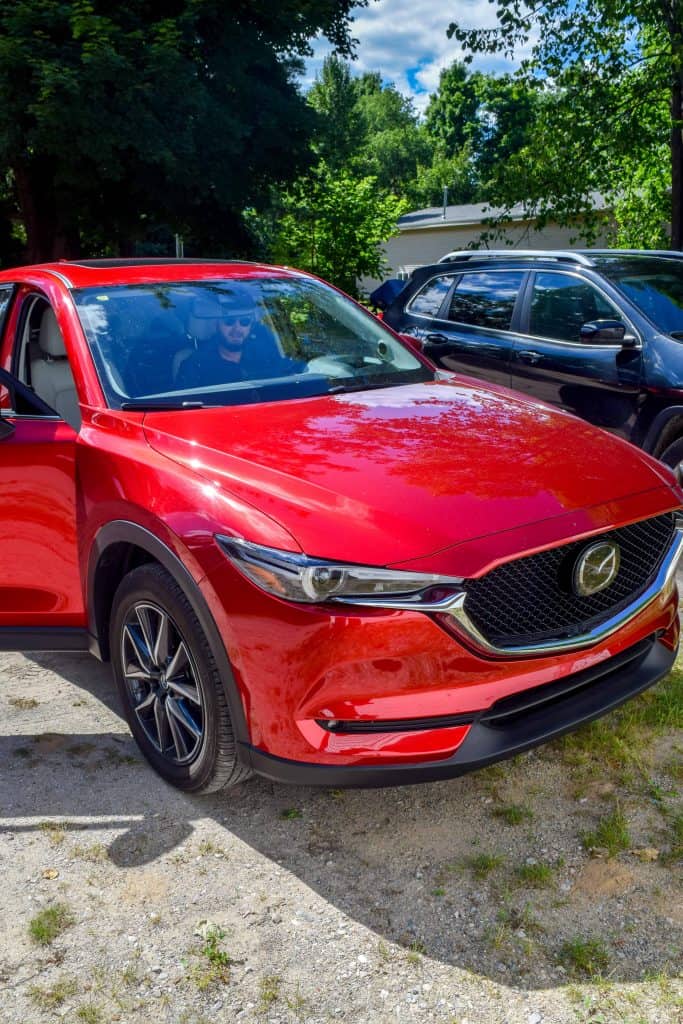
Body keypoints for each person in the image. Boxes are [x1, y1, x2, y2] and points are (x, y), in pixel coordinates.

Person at [176, 288, 300, 390]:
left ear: (251, 326)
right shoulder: (195, 365)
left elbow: (293, 375)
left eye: (244, 322)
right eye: (229, 322)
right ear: (216, 325)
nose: (237, 329)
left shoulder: (266, 356)